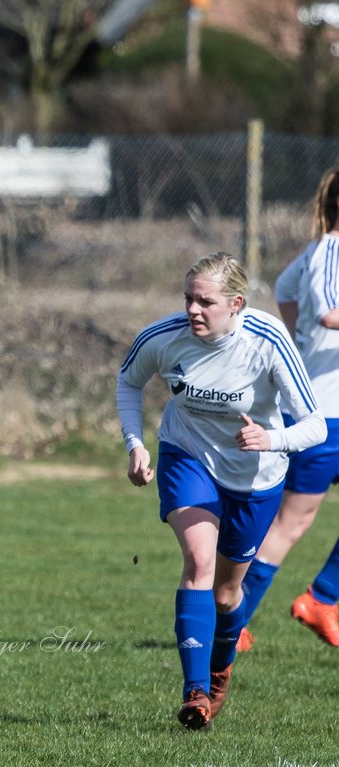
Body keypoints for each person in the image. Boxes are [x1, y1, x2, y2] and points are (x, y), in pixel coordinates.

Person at [117, 251, 324, 730]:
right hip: (186, 455)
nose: (192, 310)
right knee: (199, 563)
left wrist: (272, 439)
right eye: (188, 298)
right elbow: (128, 382)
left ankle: (219, 667)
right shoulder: (164, 337)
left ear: (235, 304)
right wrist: (135, 443)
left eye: (204, 302)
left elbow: (314, 425)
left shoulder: (267, 340)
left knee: (228, 594)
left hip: (255, 476)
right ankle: (194, 694)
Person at [237, 167, 339, 647]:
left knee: (291, 521)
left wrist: (300, 344)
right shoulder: (332, 249)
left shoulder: (315, 253)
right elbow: (329, 313)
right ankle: (231, 622)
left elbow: (282, 288)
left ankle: (323, 597)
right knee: (292, 522)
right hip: (327, 414)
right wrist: (305, 343)